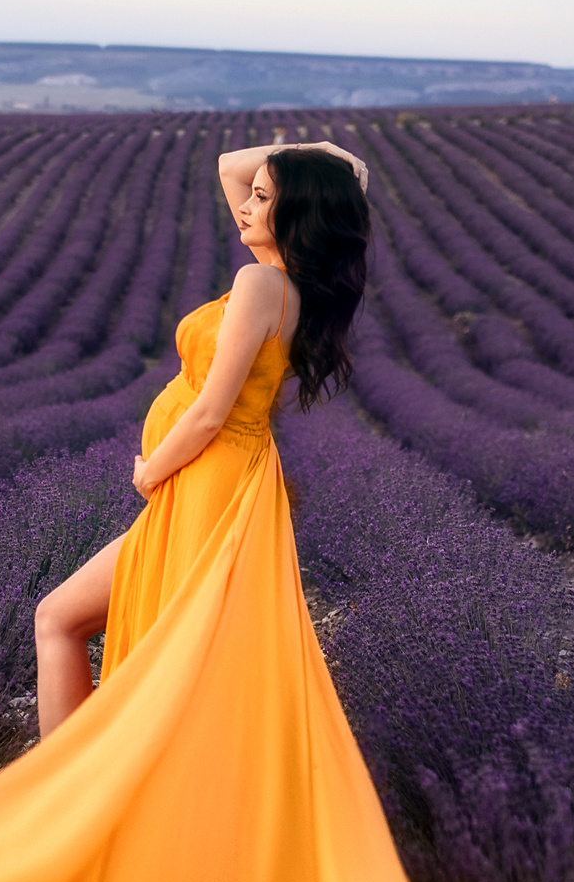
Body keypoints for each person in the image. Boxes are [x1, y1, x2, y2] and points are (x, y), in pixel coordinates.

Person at [32, 138, 371, 735]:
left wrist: (151, 470)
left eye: (261, 198)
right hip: (215, 476)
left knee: (73, 623)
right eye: (252, 195)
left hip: (206, 480)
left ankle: (81, 778)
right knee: (77, 624)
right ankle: (88, 772)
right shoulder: (286, 280)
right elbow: (228, 165)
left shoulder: (261, 284)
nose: (244, 205)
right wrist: (313, 151)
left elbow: (212, 412)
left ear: (296, 214)